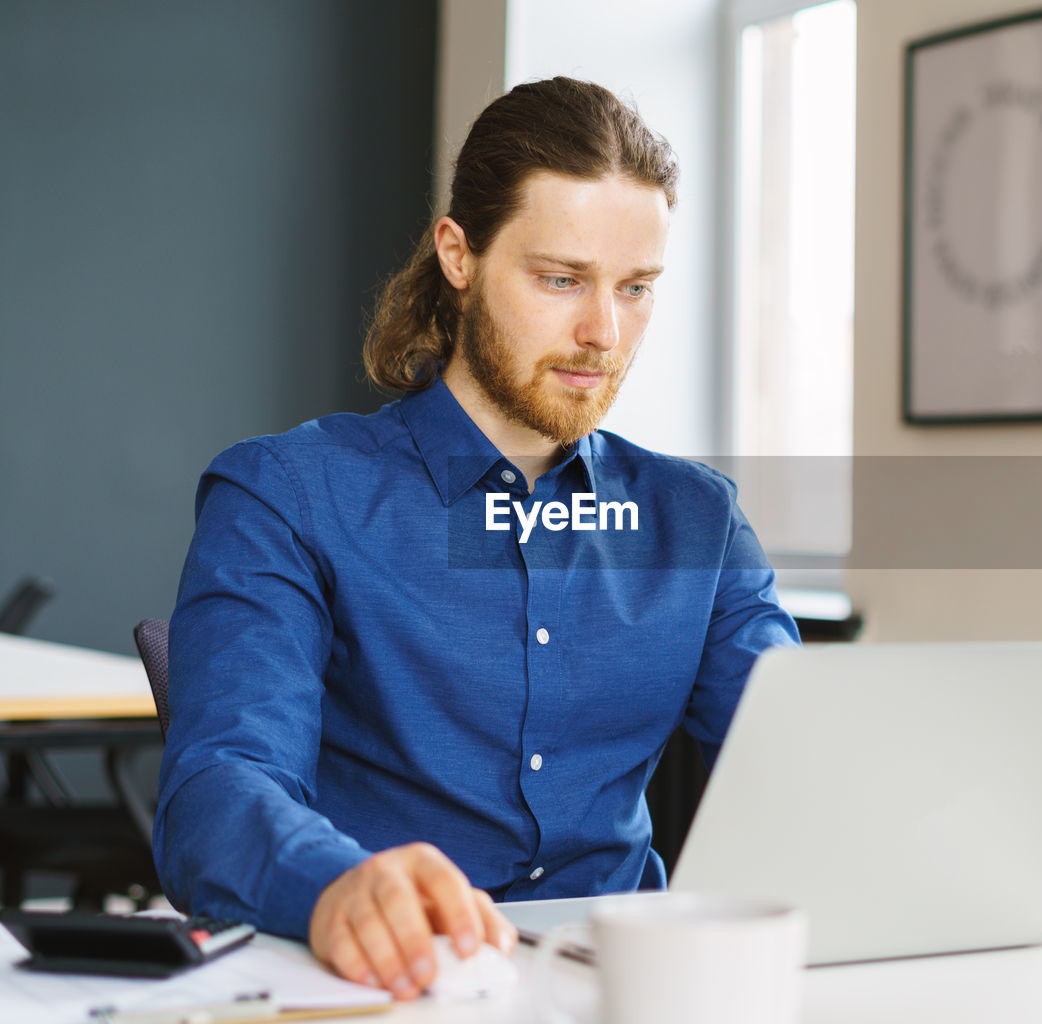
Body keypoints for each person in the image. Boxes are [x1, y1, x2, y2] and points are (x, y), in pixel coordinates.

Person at [154, 77, 799, 1001]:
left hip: (627, 991)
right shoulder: (287, 494)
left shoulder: (697, 519)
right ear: (458, 255)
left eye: (637, 289)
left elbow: (807, 757)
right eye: (561, 279)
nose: (602, 333)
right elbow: (217, 793)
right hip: (390, 986)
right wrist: (333, 884)